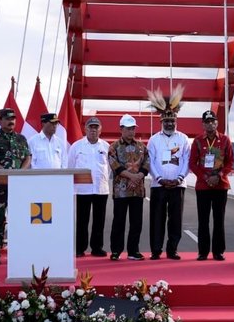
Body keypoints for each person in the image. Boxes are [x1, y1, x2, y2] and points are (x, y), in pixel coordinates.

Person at [147, 85, 190, 260]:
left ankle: (172, 249)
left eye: (172, 121)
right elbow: (149, 161)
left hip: (178, 185)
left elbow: (187, 160)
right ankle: (156, 250)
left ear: (176, 121)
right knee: (157, 219)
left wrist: (179, 178)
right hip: (159, 185)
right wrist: (159, 178)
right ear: (161, 122)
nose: (170, 123)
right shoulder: (154, 140)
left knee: (175, 219)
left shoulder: (183, 138)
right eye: (167, 121)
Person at [0, 108, 31, 266]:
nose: (11, 121)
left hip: (18, 186)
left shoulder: (21, 139)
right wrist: (4, 174)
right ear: (0, 121)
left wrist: (21, 173)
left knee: (20, 219)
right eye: (7, 118)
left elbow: (28, 157)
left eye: (13, 118)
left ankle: (20, 252)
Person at [189, 110, 234, 261]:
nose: (210, 124)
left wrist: (219, 176)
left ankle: (218, 251)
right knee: (203, 219)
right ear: (203, 124)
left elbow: (230, 162)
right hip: (203, 186)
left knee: (219, 219)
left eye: (213, 121)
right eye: (207, 122)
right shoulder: (197, 141)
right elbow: (192, 163)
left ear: (217, 123)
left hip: (220, 185)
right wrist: (205, 177)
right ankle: (202, 252)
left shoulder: (225, 140)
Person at [108, 114, 149, 261]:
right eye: (128, 128)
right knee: (119, 221)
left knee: (136, 222)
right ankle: (116, 251)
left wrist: (138, 177)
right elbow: (115, 166)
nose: (131, 131)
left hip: (137, 191)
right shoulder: (114, 147)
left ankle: (133, 251)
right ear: (121, 129)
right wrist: (132, 176)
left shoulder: (141, 147)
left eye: (133, 128)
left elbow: (146, 164)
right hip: (121, 191)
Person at [68, 117, 110, 258]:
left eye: (96, 127)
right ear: (85, 129)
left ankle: (97, 248)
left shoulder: (106, 146)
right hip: (83, 189)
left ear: (100, 129)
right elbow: (70, 166)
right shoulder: (76, 146)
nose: (93, 130)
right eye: (90, 127)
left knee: (99, 220)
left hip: (100, 188)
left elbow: (109, 168)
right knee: (82, 220)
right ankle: (80, 248)